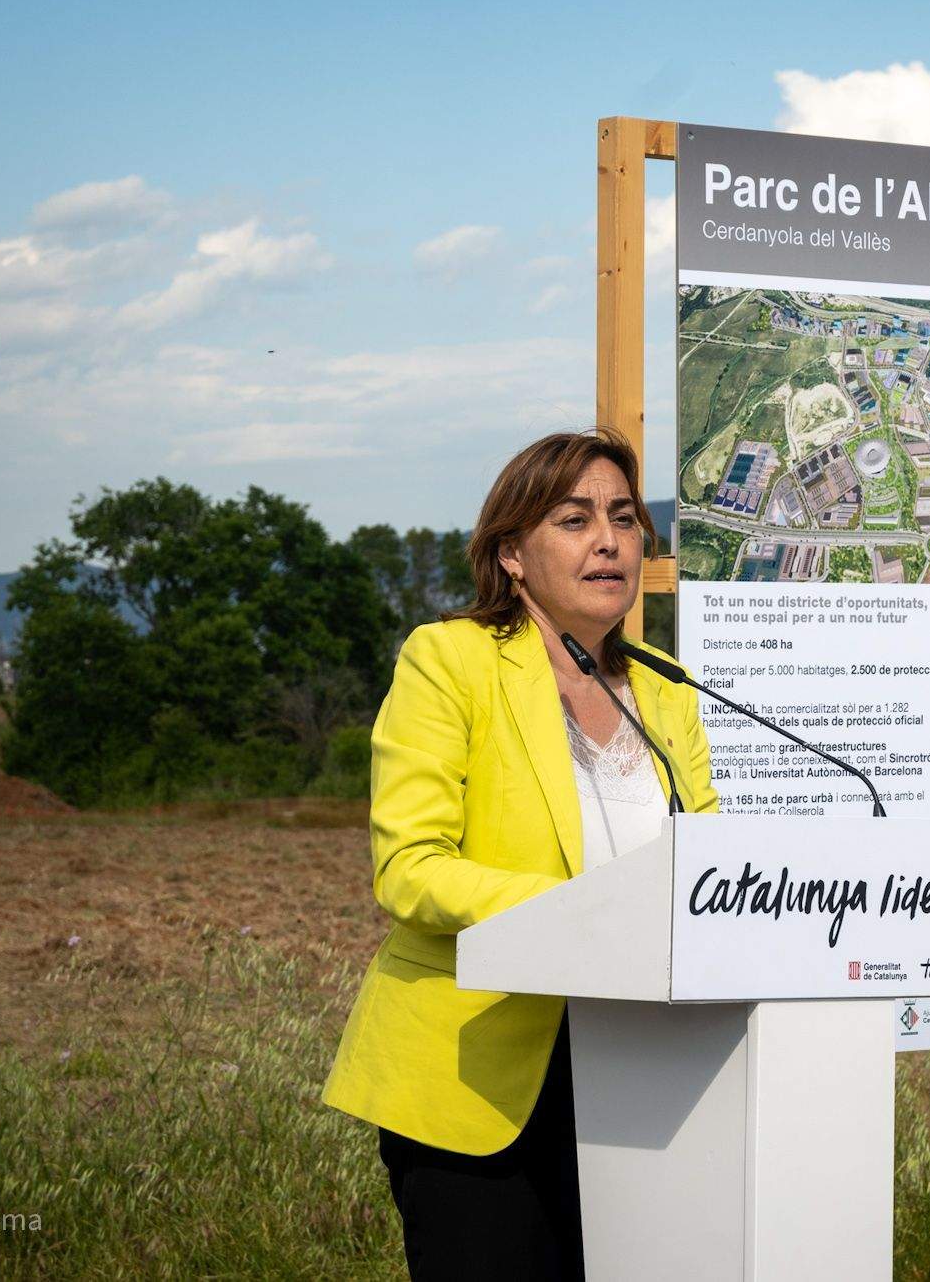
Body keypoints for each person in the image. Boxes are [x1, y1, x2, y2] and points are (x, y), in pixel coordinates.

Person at [322, 428, 718, 1281]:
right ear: (511, 553)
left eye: (624, 517)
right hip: (481, 1084)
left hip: (649, 1067)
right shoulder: (451, 660)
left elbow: (707, 867)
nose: (609, 539)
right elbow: (412, 868)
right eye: (575, 519)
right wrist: (585, 912)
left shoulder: (667, 690)